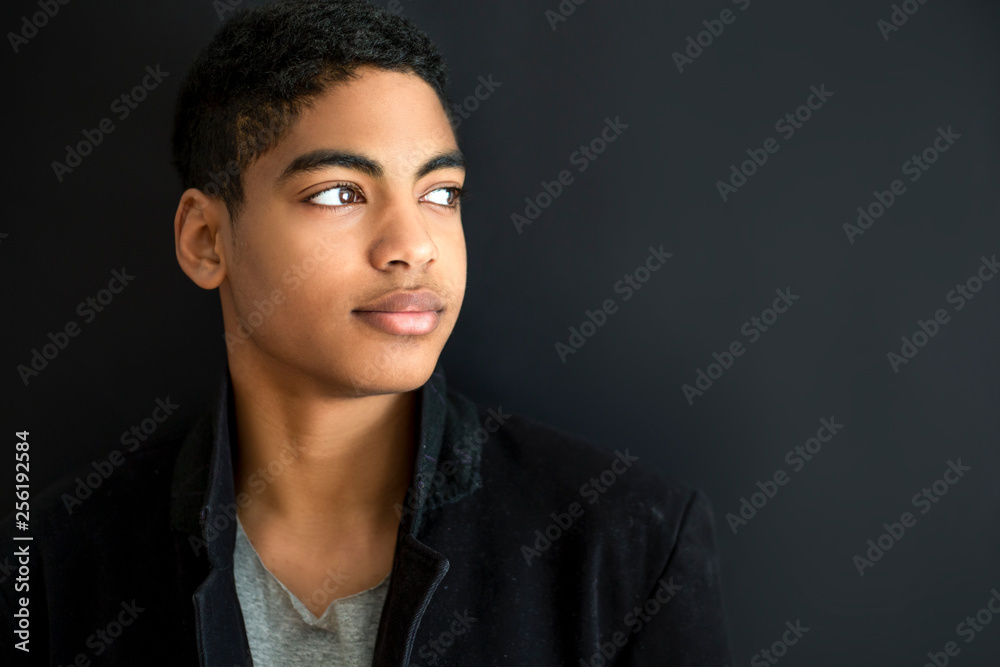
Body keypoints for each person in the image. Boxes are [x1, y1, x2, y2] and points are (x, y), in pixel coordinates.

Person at [0, 1, 733, 664]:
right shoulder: (53, 563)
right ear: (205, 240)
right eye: (340, 193)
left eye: (440, 193)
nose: (412, 244)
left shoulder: (627, 545)